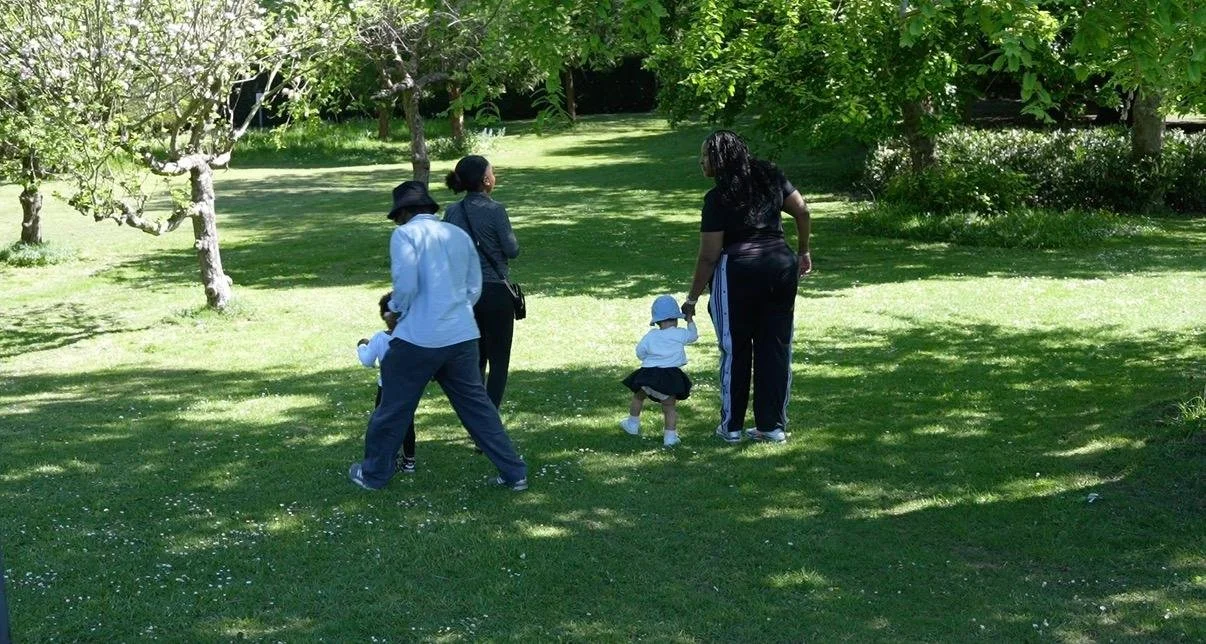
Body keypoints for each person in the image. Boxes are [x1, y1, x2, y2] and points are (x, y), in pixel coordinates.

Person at [348, 181, 528, 491]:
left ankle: (374, 474)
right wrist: (454, 310)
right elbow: (474, 286)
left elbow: (405, 286)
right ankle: (515, 473)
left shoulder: (404, 235)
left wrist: (395, 308)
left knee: (392, 409)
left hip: (418, 338)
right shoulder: (457, 234)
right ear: (429, 208)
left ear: (402, 213)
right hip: (461, 336)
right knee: (478, 408)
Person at [681, 130, 813, 445]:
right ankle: (772, 427)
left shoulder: (717, 198)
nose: (701, 162)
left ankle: (731, 427)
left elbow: (709, 256)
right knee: (775, 348)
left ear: (720, 159)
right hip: (781, 267)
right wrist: (803, 251)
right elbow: (803, 211)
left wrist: (691, 299)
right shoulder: (770, 174)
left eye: (705, 156)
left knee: (735, 350)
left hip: (737, 274)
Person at [443, 155, 520, 410]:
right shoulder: (495, 210)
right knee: (499, 361)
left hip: (465, 295)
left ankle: (476, 419)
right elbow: (511, 250)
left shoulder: (452, 212)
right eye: (493, 172)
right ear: (486, 181)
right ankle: (489, 423)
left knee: (475, 359)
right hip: (496, 291)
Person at [619, 295, 699, 447]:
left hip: (649, 375)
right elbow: (693, 336)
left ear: (656, 321)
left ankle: (632, 424)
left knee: (638, 397)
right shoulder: (680, 333)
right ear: (676, 319)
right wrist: (689, 319)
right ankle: (670, 437)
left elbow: (640, 352)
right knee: (669, 408)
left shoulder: (651, 335)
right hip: (670, 377)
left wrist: (647, 357)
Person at [356, 292, 416, 474]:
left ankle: (386, 459)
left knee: (382, 423)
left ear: (384, 315)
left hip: (386, 389)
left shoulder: (380, 338)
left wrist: (362, 345)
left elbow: (367, 361)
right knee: (407, 423)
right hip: (408, 389)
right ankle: (409, 462)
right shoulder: (414, 336)